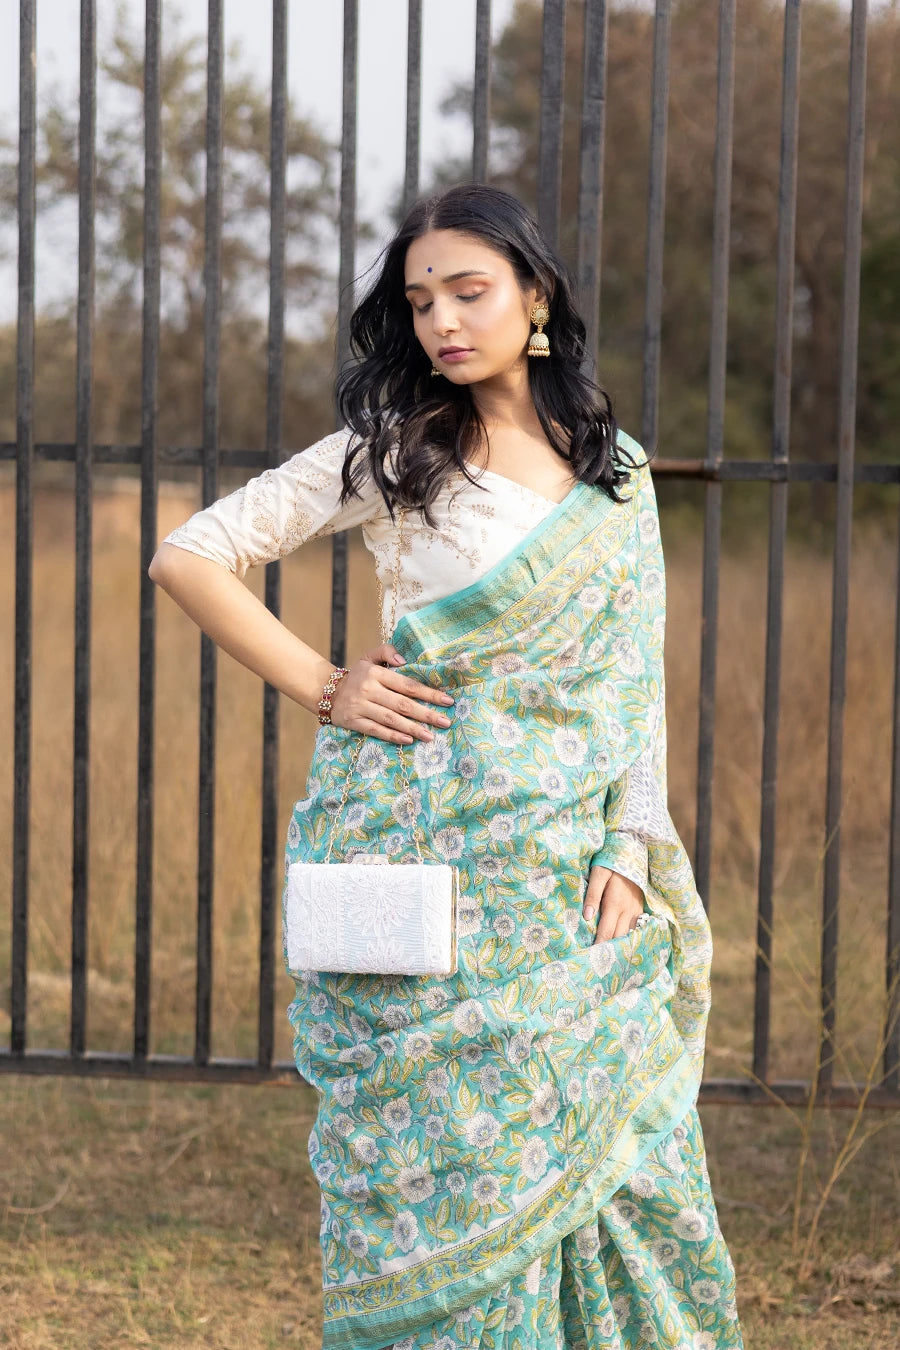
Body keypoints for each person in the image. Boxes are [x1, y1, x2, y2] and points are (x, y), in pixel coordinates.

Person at [149, 182, 743, 1350]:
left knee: (621, 1154)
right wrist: (327, 686)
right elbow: (192, 554)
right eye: (421, 301)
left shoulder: (611, 469)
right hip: (425, 853)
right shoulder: (396, 451)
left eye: (468, 291)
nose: (441, 321)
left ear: (536, 296)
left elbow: (636, 672)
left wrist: (631, 843)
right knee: (443, 1162)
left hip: (567, 869)